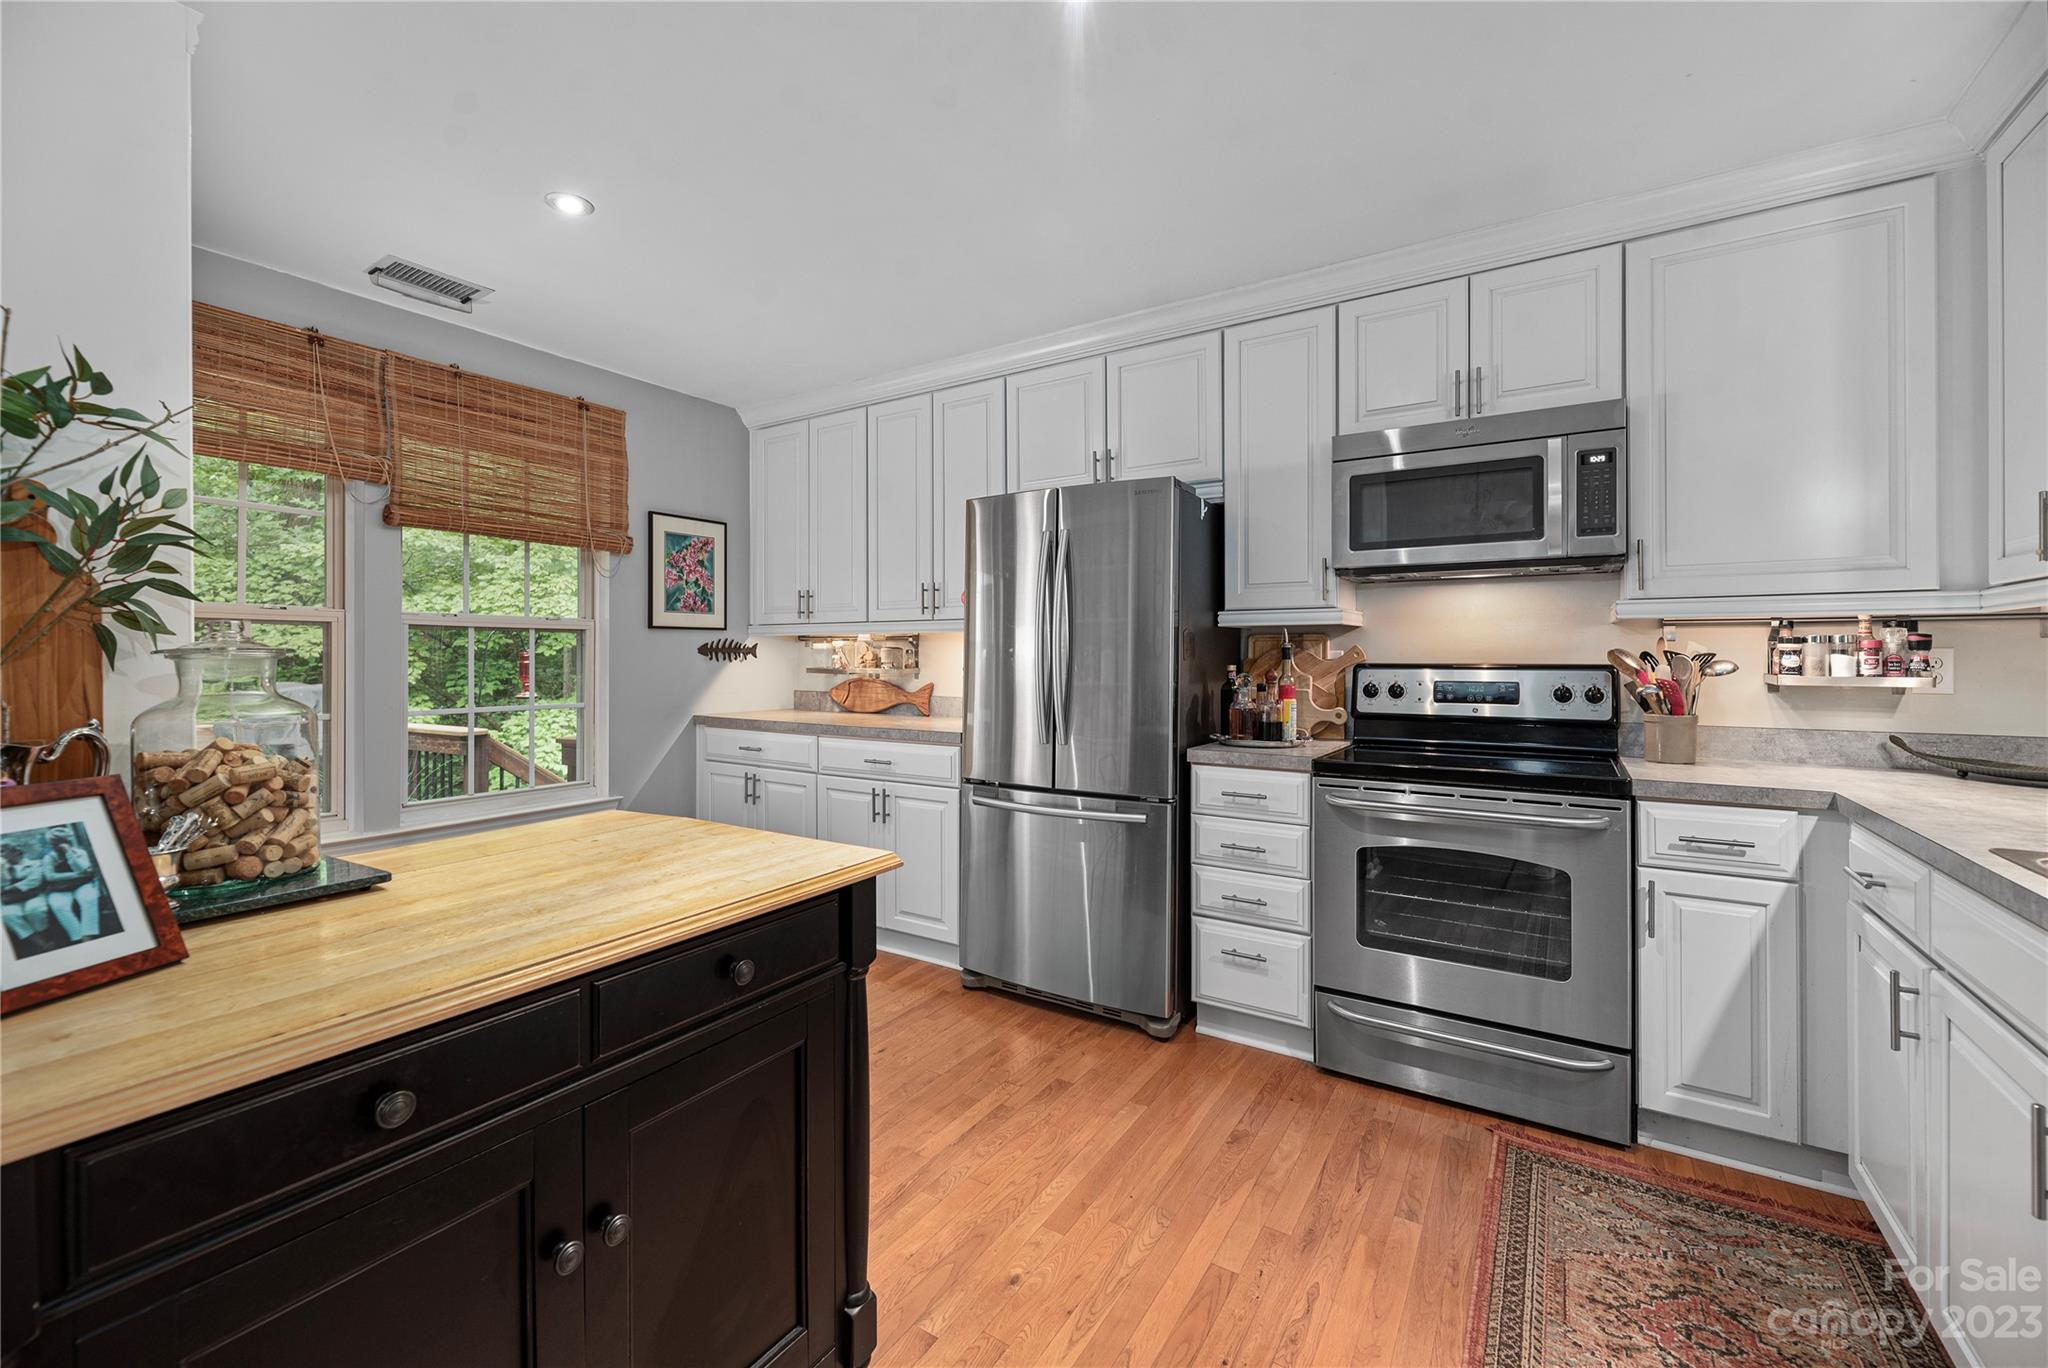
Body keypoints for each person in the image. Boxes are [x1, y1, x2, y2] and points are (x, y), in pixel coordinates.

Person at [42, 828, 104, 942]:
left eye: (56, 843)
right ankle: (78, 937)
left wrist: (69, 853)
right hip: (59, 889)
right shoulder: (49, 858)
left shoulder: (80, 853)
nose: (54, 847)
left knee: (89, 899)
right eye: (52, 844)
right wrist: (75, 875)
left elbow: (85, 869)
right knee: (58, 906)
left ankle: (88, 936)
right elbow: (50, 876)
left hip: (81, 885)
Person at [2, 840, 63, 956]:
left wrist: (6, 889)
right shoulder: (2, 869)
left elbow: (34, 881)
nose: (0, 855)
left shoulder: (36, 864)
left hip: (33, 896)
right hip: (11, 900)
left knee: (35, 910)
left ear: (15, 851)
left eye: (2, 851)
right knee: (8, 915)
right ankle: (41, 943)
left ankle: (45, 937)